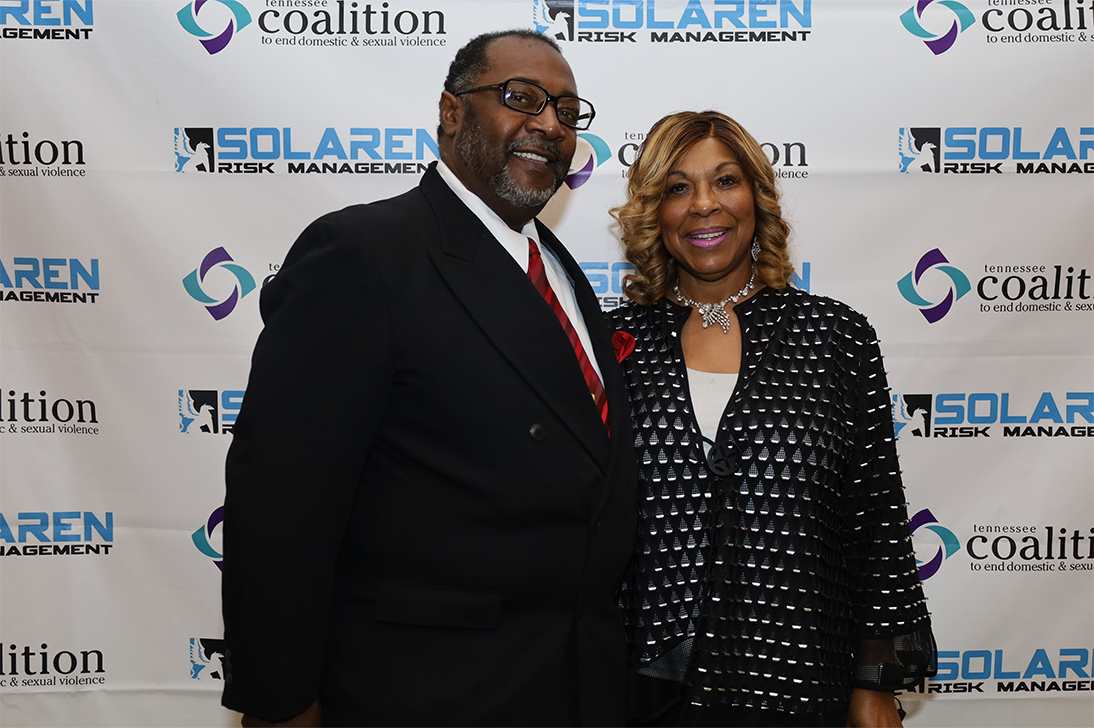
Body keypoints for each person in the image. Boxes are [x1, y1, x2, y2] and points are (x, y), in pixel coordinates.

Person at [220, 29, 637, 727]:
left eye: (567, 111)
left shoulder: (562, 274)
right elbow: (280, 508)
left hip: (575, 687)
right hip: (427, 693)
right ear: (451, 111)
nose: (549, 124)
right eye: (522, 97)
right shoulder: (362, 255)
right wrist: (280, 706)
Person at [606, 111, 937, 727]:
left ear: (756, 198)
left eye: (725, 181)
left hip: (798, 681)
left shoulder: (835, 337)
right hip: (641, 690)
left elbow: (875, 521)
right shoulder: (609, 344)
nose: (704, 205)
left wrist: (874, 685)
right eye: (678, 187)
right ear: (655, 211)